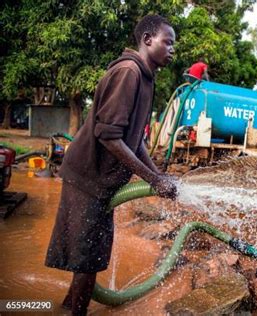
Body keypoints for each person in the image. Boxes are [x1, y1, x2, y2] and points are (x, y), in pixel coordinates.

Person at [45, 15, 176, 315]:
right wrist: (154, 182)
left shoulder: (146, 77)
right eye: (167, 42)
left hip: (101, 181)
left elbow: (134, 139)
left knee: (88, 255)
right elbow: (109, 136)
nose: (171, 49)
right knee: (88, 257)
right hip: (87, 175)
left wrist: (157, 175)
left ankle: (67, 306)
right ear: (147, 40)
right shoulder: (129, 73)